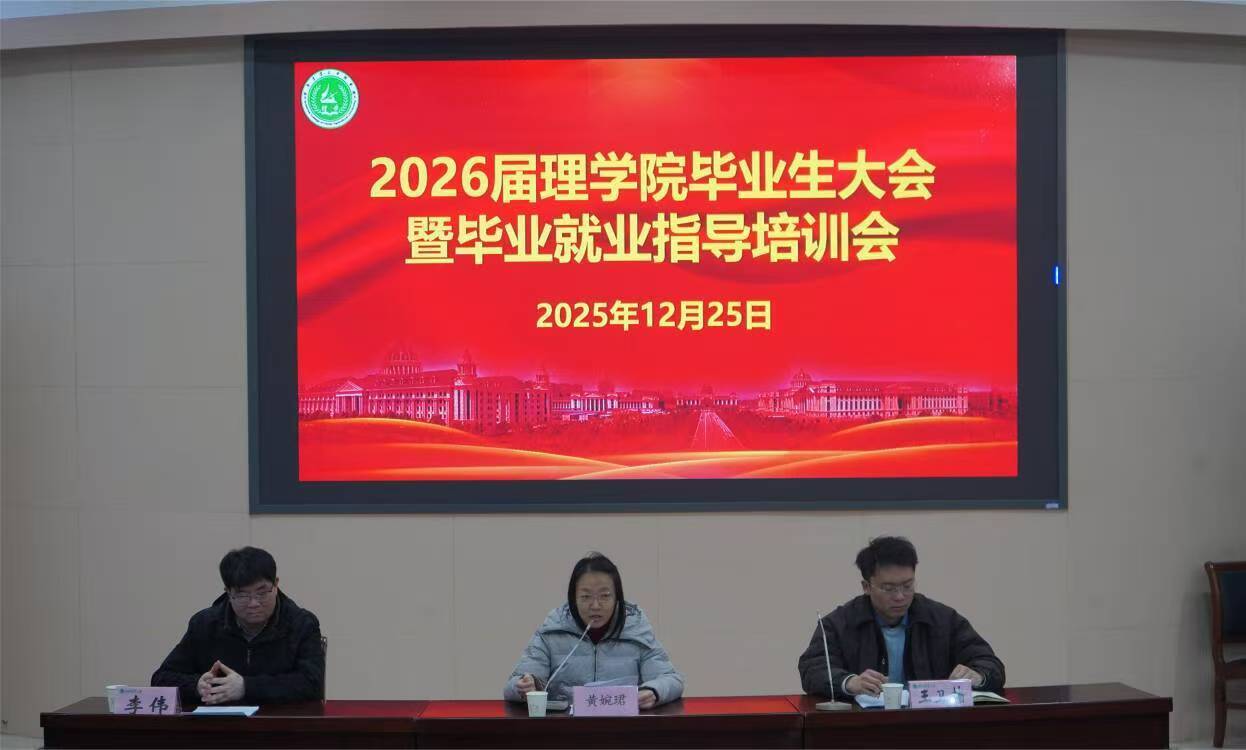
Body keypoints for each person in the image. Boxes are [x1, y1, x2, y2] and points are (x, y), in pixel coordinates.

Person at [798, 536, 1005, 699]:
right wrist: (849, 682)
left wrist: (979, 676)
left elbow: (990, 663)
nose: (900, 596)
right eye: (888, 588)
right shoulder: (839, 624)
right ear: (866, 587)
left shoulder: (943, 620)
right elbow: (812, 669)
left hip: (931, 723)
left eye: (907, 586)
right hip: (863, 724)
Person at [504, 552, 684, 709]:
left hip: (624, 728)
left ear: (617, 598)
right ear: (573, 598)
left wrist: (653, 691)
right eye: (586, 596)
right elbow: (513, 685)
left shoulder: (635, 628)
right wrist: (525, 686)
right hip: (564, 729)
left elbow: (671, 680)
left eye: (605, 596)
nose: (595, 605)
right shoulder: (553, 630)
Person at [152, 546, 324, 705]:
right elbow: (161, 679)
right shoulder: (205, 624)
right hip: (219, 723)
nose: (254, 603)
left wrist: (246, 687)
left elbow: (312, 684)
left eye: (262, 592)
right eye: (242, 595)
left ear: (276, 584)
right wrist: (196, 686)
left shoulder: (302, 624)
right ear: (228, 592)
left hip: (282, 722)